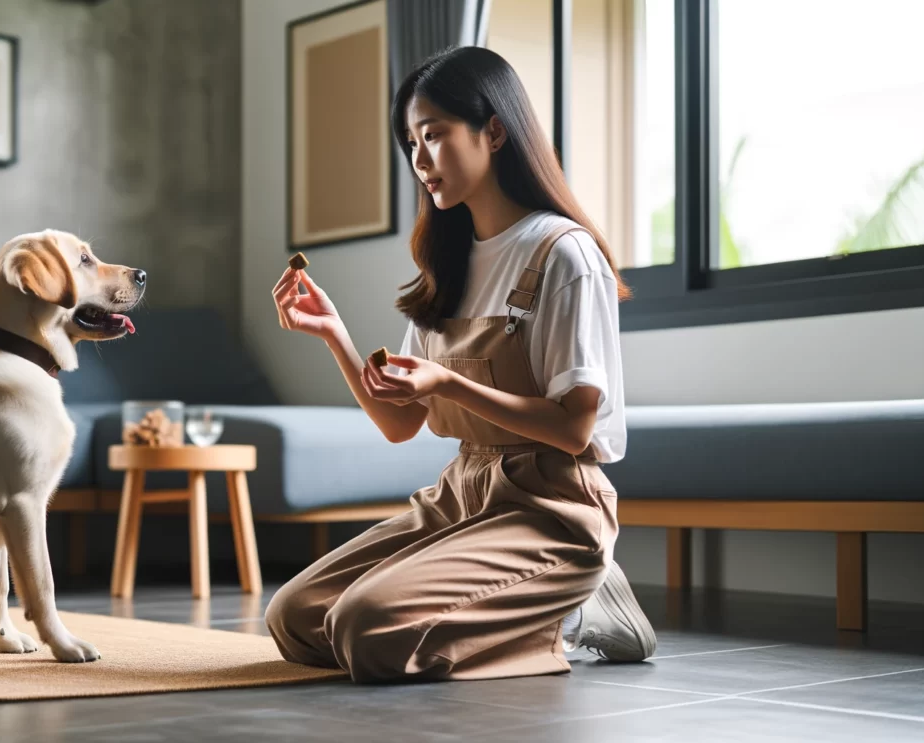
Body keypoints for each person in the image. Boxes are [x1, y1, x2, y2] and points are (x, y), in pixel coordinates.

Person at [265, 45, 657, 684]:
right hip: (461, 494)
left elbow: (574, 430)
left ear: (494, 130)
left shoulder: (562, 253)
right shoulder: (445, 265)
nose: (420, 160)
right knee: (297, 617)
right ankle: (541, 610)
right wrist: (334, 333)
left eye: (434, 136)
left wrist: (450, 381)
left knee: (366, 630)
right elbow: (401, 425)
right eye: (411, 143)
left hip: (551, 507)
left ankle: (574, 612)